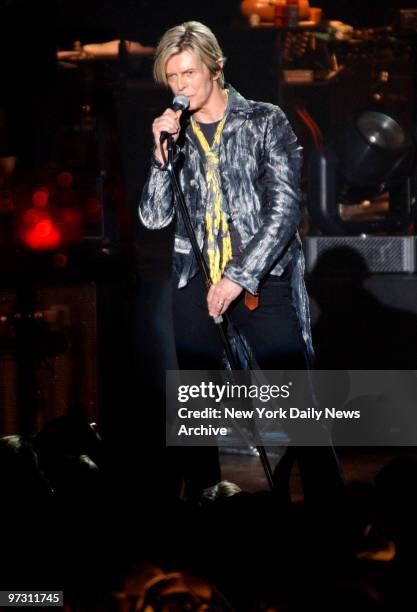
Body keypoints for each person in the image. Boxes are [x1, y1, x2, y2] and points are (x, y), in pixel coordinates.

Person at [138, 21, 315, 496]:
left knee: (301, 408)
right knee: (196, 415)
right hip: (195, 279)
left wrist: (239, 277)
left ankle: (335, 515)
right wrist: (159, 158)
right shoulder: (175, 136)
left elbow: (284, 211)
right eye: (172, 78)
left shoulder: (263, 120)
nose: (180, 87)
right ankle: (206, 515)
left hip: (262, 279)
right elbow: (154, 218)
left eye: (189, 74)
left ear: (216, 68)